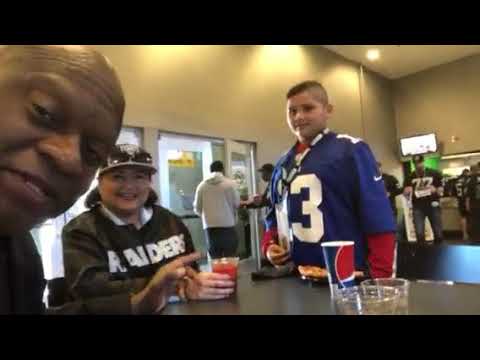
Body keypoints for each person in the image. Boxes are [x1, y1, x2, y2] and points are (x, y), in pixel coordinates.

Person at [0, 45, 199, 314]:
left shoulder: (18, 249)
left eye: (92, 153)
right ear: (100, 183)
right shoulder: (81, 231)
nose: (69, 159)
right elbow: (89, 288)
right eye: (43, 111)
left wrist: (142, 302)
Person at [62, 144, 235, 307]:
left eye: (139, 177)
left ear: (149, 182)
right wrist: (162, 284)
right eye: (118, 177)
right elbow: (91, 291)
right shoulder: (81, 232)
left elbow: (190, 274)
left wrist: (195, 283)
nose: (129, 186)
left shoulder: (171, 222)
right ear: (99, 183)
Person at [261, 80, 396, 279]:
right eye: (292, 111)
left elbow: (378, 218)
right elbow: (273, 216)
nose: (298, 117)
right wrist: (269, 246)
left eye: (308, 108)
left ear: (328, 110)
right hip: (296, 275)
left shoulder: (351, 150)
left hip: (346, 276)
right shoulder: (282, 163)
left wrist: (380, 276)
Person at [194, 161, 242, 258]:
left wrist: (207, 215)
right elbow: (237, 204)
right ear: (222, 170)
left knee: (216, 261)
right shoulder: (230, 184)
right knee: (230, 260)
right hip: (228, 227)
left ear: (210, 170)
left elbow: (197, 209)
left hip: (210, 229)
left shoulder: (201, 186)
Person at [403, 154, 444, 244]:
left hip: (433, 204)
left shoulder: (434, 173)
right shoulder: (409, 177)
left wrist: (436, 190)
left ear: (423, 162)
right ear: (413, 164)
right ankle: (423, 254)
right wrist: (406, 193)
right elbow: (405, 194)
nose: (418, 165)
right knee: (419, 233)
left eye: (420, 162)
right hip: (418, 206)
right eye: (416, 163)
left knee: (438, 233)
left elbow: (441, 190)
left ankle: (439, 253)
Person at [454, 168, 471, 241]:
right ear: (467, 173)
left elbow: (453, 192)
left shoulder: (457, 180)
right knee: (472, 217)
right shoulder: (469, 180)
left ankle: (464, 234)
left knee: (463, 217)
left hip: (460, 201)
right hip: (468, 200)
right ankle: (473, 233)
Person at [466, 165, 480, 242]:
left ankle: (476, 238)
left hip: (474, 204)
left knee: (475, 221)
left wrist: (467, 205)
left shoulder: (471, 180)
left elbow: (468, 195)